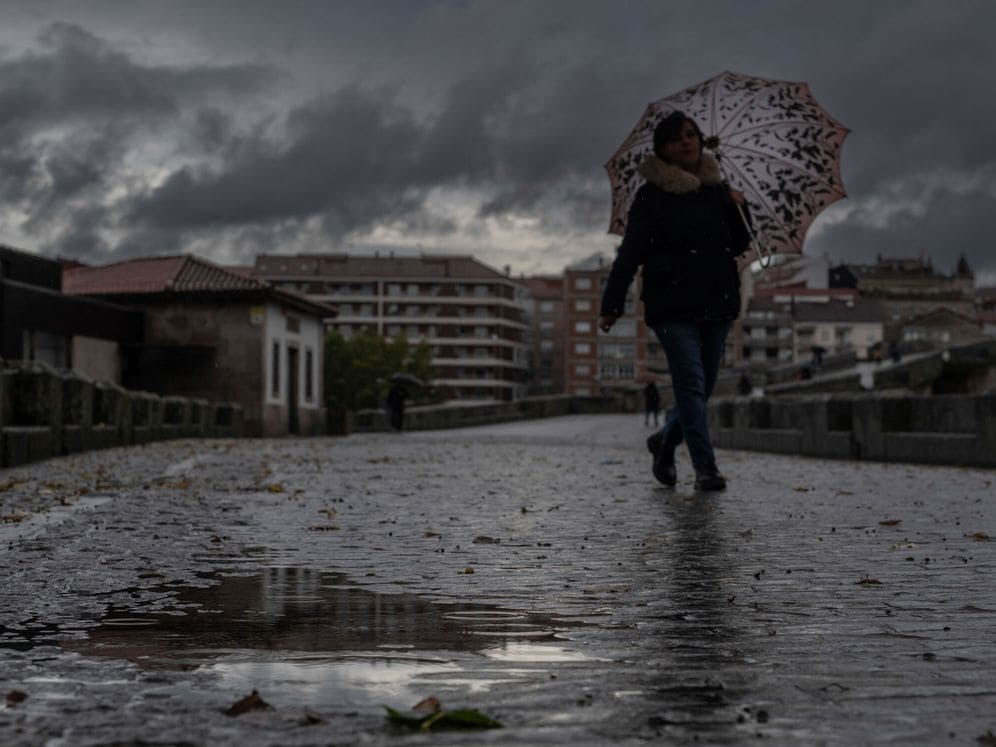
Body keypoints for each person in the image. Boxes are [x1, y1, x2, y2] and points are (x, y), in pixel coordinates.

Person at [599, 111, 751, 491]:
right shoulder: (652, 195)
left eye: (691, 135)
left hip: (718, 299)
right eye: (676, 138)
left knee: (706, 384)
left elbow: (739, 244)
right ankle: (706, 467)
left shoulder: (718, 190)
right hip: (671, 303)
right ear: (663, 150)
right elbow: (631, 251)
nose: (686, 142)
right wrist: (612, 302)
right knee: (691, 384)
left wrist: (738, 206)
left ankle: (664, 442)